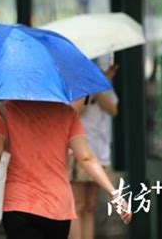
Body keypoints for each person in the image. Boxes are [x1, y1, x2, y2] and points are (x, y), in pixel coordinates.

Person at [0, 100, 131, 239]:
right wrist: (114, 194)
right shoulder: (67, 113)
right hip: (57, 207)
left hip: (18, 205)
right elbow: (87, 158)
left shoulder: (3, 111)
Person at [68, 59, 119, 239]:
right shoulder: (76, 83)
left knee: (90, 206)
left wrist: (101, 84)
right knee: (77, 205)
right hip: (78, 152)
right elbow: (74, 111)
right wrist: (94, 87)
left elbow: (113, 109)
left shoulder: (104, 85)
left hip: (100, 152)